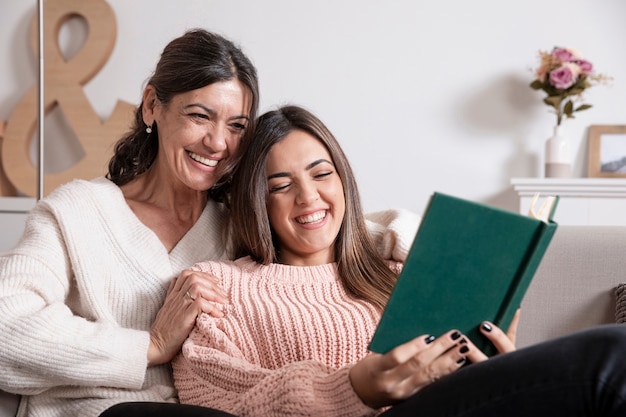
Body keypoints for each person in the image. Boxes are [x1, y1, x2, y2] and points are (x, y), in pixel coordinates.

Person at [0, 31, 417, 417]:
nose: (218, 143)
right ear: (151, 106)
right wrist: (149, 346)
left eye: (236, 126)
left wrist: (426, 242)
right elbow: (5, 325)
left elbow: (330, 224)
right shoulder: (79, 212)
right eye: (200, 116)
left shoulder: (241, 221)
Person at [172, 105, 626, 417]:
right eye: (280, 185)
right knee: (611, 352)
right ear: (256, 200)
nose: (309, 197)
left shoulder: (400, 274)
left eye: (321, 173)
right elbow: (216, 399)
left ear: (343, 180)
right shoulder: (219, 286)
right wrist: (353, 389)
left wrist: (494, 369)